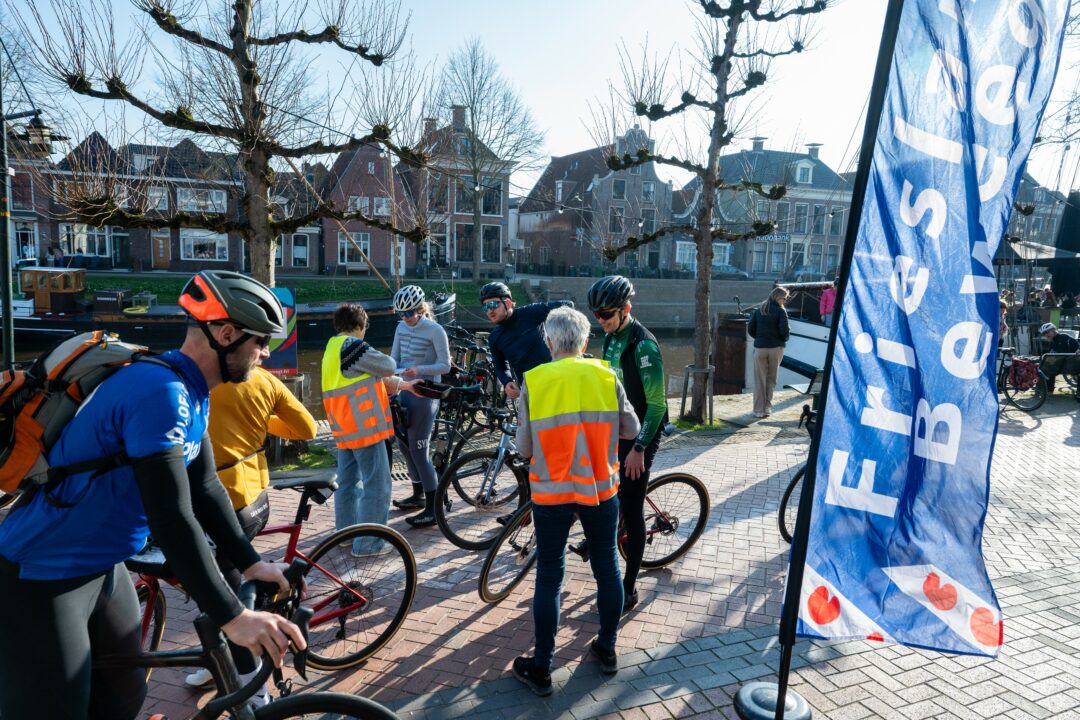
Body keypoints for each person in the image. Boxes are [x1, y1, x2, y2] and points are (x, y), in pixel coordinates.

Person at [0, 270, 305, 720]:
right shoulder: (159, 392)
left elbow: (204, 488)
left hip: (103, 564)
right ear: (225, 335)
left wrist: (251, 562)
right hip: (43, 571)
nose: (265, 353)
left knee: (123, 697)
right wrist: (233, 617)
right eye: (261, 341)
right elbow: (172, 518)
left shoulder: (192, 392)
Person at [512, 307, 640, 695]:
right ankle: (607, 648)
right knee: (607, 565)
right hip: (600, 488)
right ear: (585, 342)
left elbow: (524, 447)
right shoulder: (605, 374)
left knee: (550, 573)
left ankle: (542, 667)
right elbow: (631, 427)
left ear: (549, 341)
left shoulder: (535, 380)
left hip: (552, 491)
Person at [184, 363, 317, 689]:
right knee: (218, 579)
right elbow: (307, 429)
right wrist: (261, 420)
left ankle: (237, 663)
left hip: (224, 503)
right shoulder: (266, 379)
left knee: (217, 590)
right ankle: (224, 649)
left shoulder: (201, 379)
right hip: (256, 497)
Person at [584, 275, 668, 613]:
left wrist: (639, 449)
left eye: (606, 314)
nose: (600, 320)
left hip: (644, 430)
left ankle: (629, 587)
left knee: (632, 507)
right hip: (621, 425)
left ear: (626, 309)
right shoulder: (610, 338)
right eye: (596, 314)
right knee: (604, 485)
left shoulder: (644, 346)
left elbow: (657, 405)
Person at [322, 303, 416, 551]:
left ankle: (345, 537)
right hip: (366, 428)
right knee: (377, 485)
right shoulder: (353, 346)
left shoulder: (331, 348)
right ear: (361, 325)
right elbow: (387, 365)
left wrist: (403, 385)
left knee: (347, 485)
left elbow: (364, 377)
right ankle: (369, 544)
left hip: (344, 428)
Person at [387, 285, 451, 527]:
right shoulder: (400, 327)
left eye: (409, 313)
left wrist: (420, 370)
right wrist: (386, 371)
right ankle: (418, 494)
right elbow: (394, 358)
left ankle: (434, 509)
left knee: (419, 450)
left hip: (424, 395)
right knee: (405, 446)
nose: (405, 318)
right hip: (403, 390)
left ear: (421, 309)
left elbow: (445, 365)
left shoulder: (435, 330)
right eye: (401, 313)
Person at [480, 281, 573, 400]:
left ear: (508, 303)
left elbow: (567, 305)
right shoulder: (494, 337)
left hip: (555, 382)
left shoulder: (529, 313)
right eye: (486, 307)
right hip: (530, 390)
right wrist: (507, 382)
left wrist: (562, 339)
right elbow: (501, 367)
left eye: (493, 304)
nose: (490, 311)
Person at [747, 286, 791, 418]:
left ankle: (758, 410)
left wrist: (760, 339)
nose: (784, 301)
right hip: (776, 349)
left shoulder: (759, 310)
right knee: (771, 379)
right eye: (784, 298)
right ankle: (767, 408)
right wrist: (783, 339)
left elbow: (751, 329)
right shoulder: (781, 311)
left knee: (759, 380)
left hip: (760, 348)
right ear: (778, 297)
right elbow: (785, 331)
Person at [1038, 322, 1080, 393]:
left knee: (1046, 367)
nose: (1046, 335)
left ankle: (1046, 389)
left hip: (1071, 365)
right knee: (1046, 366)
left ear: (1053, 330)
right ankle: (1047, 389)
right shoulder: (1053, 342)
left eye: (1047, 332)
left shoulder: (1064, 337)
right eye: (1044, 333)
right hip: (1065, 365)